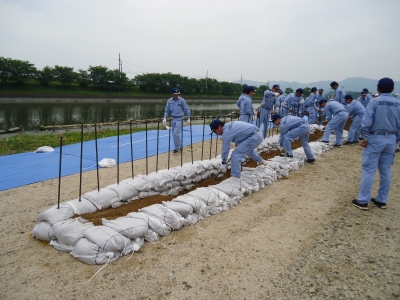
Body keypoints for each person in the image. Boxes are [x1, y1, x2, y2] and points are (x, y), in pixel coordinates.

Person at [352, 78, 400, 210]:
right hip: (391, 138)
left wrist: (362, 136)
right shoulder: (398, 103)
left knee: (368, 170)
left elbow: (366, 120)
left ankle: (363, 201)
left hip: (375, 138)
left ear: (378, 88)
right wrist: (397, 142)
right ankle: (381, 200)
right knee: (386, 171)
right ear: (393, 89)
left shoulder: (374, 102)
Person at [163, 88, 191, 154]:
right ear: (172, 94)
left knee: (176, 133)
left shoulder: (182, 100)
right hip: (173, 119)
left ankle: (177, 148)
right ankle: (180, 146)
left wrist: (189, 118)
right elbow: (167, 110)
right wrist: (165, 118)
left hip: (180, 118)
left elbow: (186, 109)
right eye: (175, 94)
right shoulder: (169, 101)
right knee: (174, 134)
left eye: (177, 94)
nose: (176, 95)